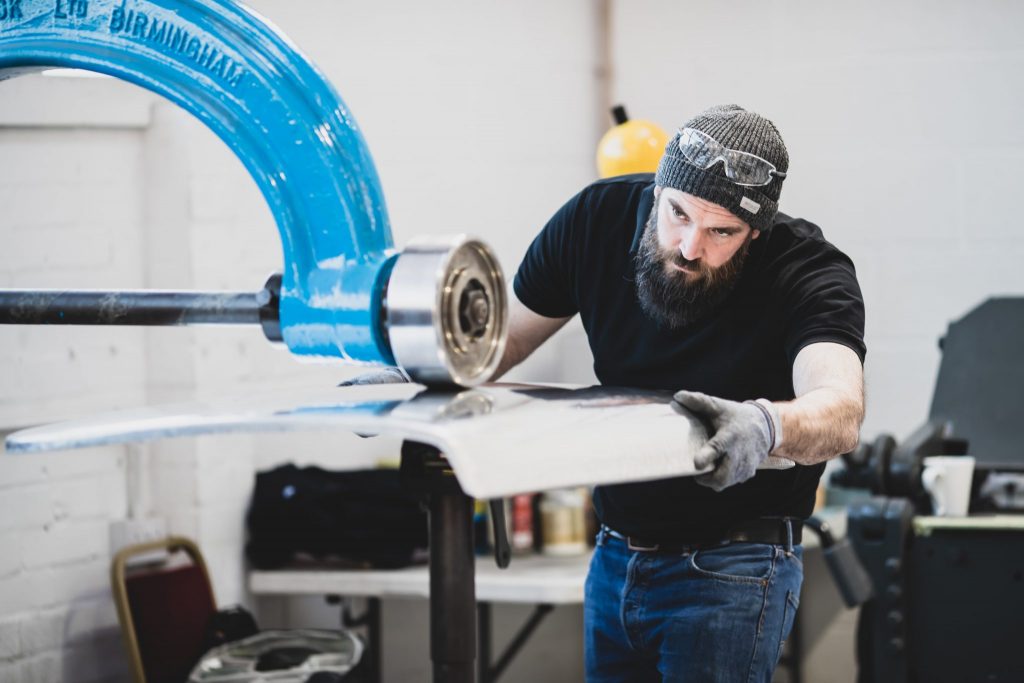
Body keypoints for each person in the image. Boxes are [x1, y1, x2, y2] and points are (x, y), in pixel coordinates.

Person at [495, 104, 866, 682]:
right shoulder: (596, 219)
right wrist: (421, 373)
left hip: (734, 570)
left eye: (723, 232)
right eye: (678, 215)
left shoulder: (807, 270)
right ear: (656, 190)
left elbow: (840, 409)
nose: (691, 247)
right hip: (615, 554)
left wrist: (766, 425)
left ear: (756, 232)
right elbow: (502, 344)